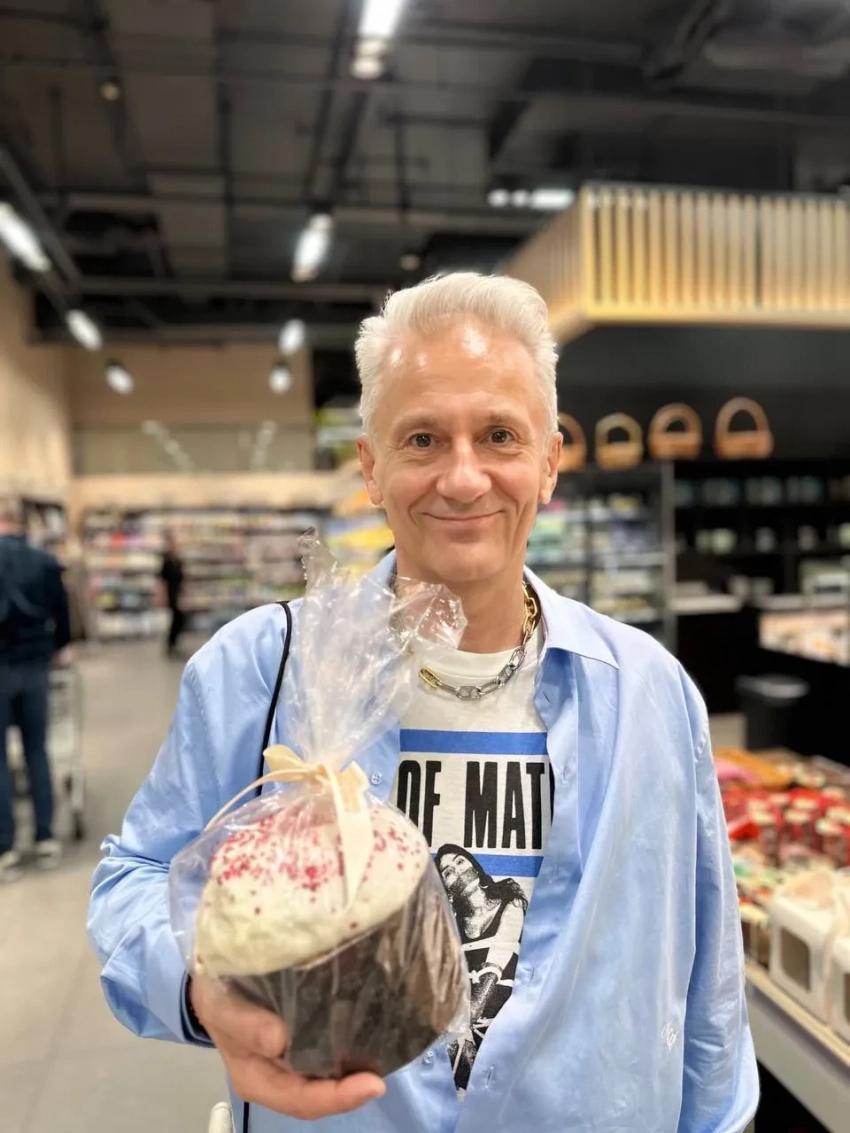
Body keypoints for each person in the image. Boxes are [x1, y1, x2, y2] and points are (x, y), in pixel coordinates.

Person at [89, 273, 759, 1132]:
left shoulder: (649, 695)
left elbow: (709, 984)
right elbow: (134, 877)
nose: (464, 477)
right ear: (371, 466)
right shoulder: (261, 671)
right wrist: (197, 985)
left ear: (550, 461)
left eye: (500, 435)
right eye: (422, 438)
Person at [0, 499, 70, 881]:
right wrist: (57, 647)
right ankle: (45, 837)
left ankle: (6, 847)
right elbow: (63, 614)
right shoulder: (44, 561)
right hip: (35, 665)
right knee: (37, 751)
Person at [159, 530, 185, 658]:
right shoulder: (166, 562)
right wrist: (162, 595)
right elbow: (162, 581)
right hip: (170, 593)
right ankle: (171, 644)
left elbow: (183, 578)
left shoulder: (178, 561)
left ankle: (174, 643)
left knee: (179, 618)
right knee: (176, 618)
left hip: (178, 593)